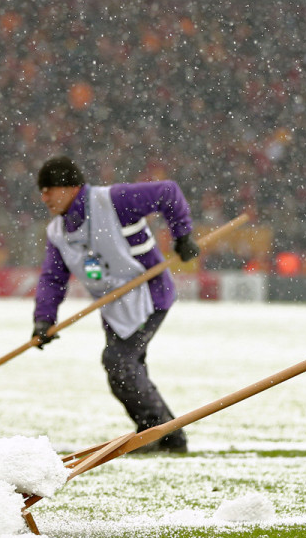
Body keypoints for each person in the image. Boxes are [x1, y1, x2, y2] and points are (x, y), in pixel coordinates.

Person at [32, 156, 200, 453]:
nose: (44, 197)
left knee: (119, 363)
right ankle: (169, 435)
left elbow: (168, 192)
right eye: (41, 191)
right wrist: (44, 319)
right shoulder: (58, 233)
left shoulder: (114, 200)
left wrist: (182, 235)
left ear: (71, 187)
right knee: (125, 369)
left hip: (149, 295)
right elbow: (52, 278)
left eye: (49, 189)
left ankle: (153, 431)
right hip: (114, 307)